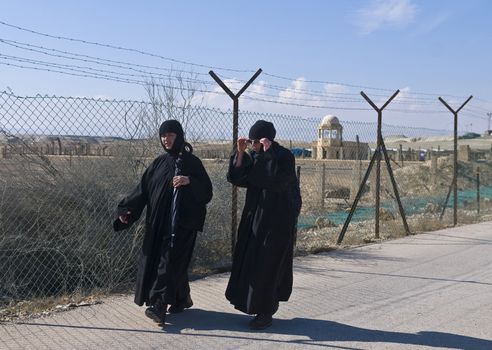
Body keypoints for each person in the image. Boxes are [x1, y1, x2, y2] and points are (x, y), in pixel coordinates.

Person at [113, 119, 213, 326]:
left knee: (167, 262)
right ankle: (181, 297)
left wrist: (189, 181)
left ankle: (159, 306)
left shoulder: (192, 163)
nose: (166, 139)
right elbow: (142, 190)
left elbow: (207, 192)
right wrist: (127, 211)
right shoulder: (158, 163)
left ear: (179, 136)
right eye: (163, 135)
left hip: (183, 224)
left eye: (170, 135)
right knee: (169, 261)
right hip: (158, 223)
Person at [225, 120, 299, 330]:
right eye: (251, 141)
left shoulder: (284, 157)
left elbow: (275, 180)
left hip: (277, 221)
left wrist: (268, 154)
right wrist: (240, 153)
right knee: (251, 261)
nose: (253, 145)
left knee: (268, 264)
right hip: (254, 218)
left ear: (268, 139)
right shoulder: (255, 157)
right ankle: (252, 305)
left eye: (256, 141)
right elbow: (237, 178)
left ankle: (266, 311)